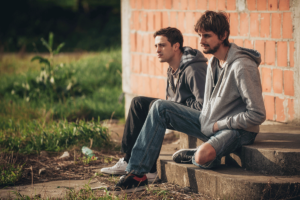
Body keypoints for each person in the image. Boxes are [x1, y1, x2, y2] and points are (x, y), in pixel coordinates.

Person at [107, 10, 266, 193]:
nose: (201, 41)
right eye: (200, 35)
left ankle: (196, 154)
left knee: (203, 158)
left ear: (223, 36)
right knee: (160, 107)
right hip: (212, 123)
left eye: (207, 35)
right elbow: (207, 106)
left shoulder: (242, 66)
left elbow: (257, 114)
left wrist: (218, 125)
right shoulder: (214, 62)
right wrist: (208, 122)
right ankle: (137, 174)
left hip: (237, 131)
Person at [100, 27, 207, 182]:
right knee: (138, 103)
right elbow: (172, 99)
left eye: (162, 45)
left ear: (176, 46)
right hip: (178, 114)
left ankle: (146, 169)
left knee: (157, 106)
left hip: (200, 122)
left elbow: (204, 107)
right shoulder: (172, 68)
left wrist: (177, 105)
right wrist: (175, 104)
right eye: (156, 46)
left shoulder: (194, 68)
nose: (157, 50)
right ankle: (128, 159)